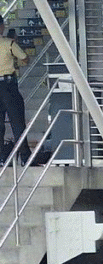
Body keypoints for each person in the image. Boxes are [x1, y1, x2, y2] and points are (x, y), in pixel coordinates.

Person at [0, 20, 30, 166]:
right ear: (1, 26)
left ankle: (1, 158)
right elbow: (25, 58)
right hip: (8, 86)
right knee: (17, 121)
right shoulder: (9, 44)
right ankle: (24, 156)